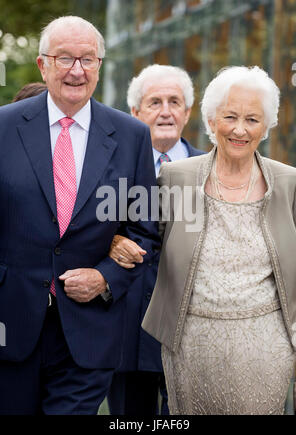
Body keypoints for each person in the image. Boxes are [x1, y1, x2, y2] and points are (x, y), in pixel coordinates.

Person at [0, 16, 159, 415]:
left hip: (90, 332)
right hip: (10, 323)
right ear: (43, 65)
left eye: (87, 59)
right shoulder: (3, 127)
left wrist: (106, 276)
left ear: (100, 65)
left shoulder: (131, 135)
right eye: (65, 58)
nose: (76, 70)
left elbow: (144, 229)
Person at [119, 65, 296, 415]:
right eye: (230, 116)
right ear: (211, 119)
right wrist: (114, 242)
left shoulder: (289, 182)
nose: (239, 129)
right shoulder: (177, 178)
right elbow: (139, 231)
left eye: (252, 119)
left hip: (267, 344)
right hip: (190, 342)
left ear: (266, 127)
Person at [107, 64, 205, 415]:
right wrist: (111, 241)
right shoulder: (111, 168)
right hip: (127, 328)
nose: (166, 111)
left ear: (188, 112)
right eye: (155, 102)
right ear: (135, 112)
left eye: (175, 101)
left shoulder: (213, 170)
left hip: (191, 331)